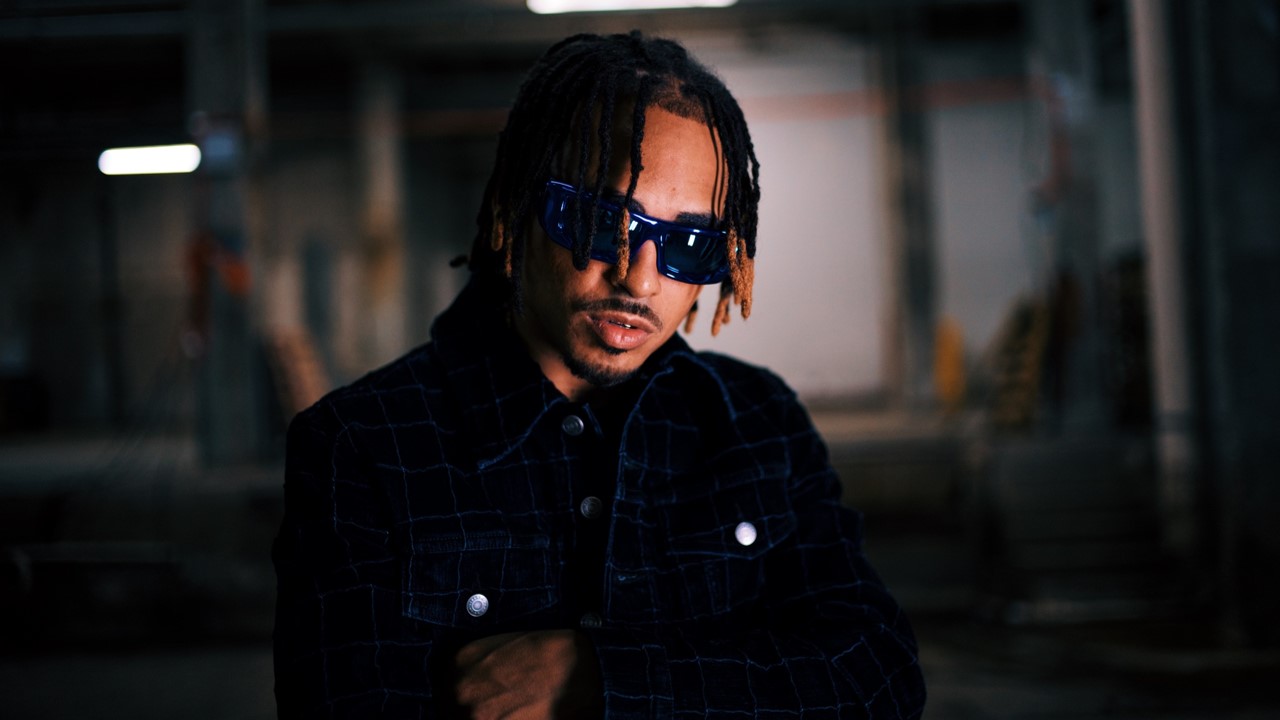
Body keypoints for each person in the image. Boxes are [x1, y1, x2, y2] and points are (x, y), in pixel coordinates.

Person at [273, 31, 926, 719]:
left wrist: (597, 680)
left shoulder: (761, 423)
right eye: (600, 221)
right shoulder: (361, 446)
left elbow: (877, 678)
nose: (639, 278)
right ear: (515, 206)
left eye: (688, 243)